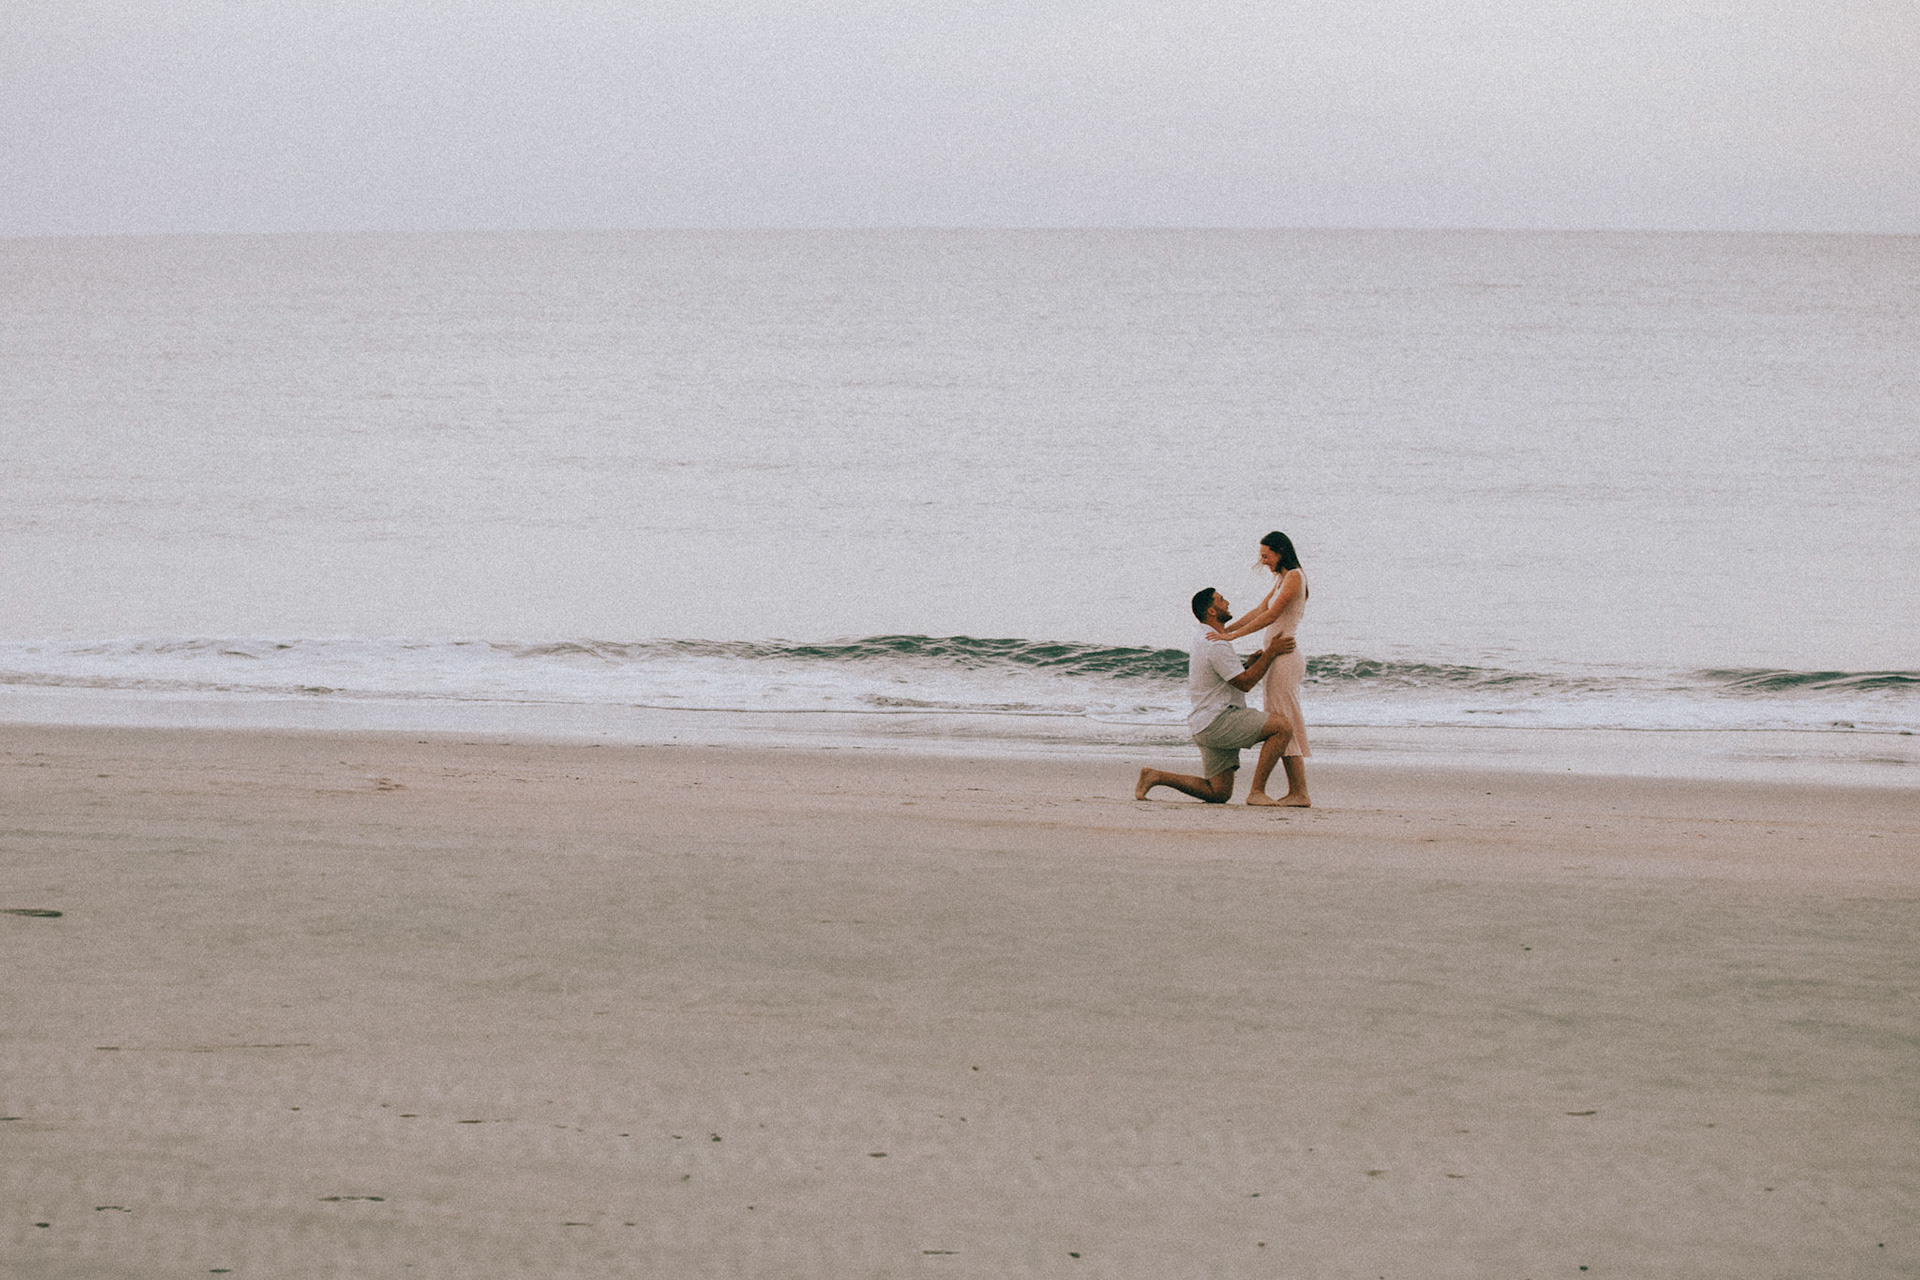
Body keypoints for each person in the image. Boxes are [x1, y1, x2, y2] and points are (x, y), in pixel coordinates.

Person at [1134, 588, 1298, 805]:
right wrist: (1271, 652)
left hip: (1205, 724)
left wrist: (1247, 665)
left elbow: (1225, 677)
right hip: (1218, 721)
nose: (1227, 602)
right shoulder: (1215, 643)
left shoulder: (1205, 638)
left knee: (1218, 792)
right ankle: (1257, 791)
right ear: (1212, 611)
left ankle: (1155, 776)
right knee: (1282, 727)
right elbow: (1245, 684)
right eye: (1221, 600)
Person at [1206, 531, 1311, 806]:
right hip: (1276, 658)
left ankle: (1299, 792)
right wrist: (1226, 630)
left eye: (1266, 555)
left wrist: (1232, 637)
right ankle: (1298, 792)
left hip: (1285, 659)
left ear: (1280, 551)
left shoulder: (1295, 577)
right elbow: (1260, 610)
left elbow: (1272, 616)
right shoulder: (1281, 579)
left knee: (1285, 721)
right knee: (1284, 720)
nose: (1263, 561)